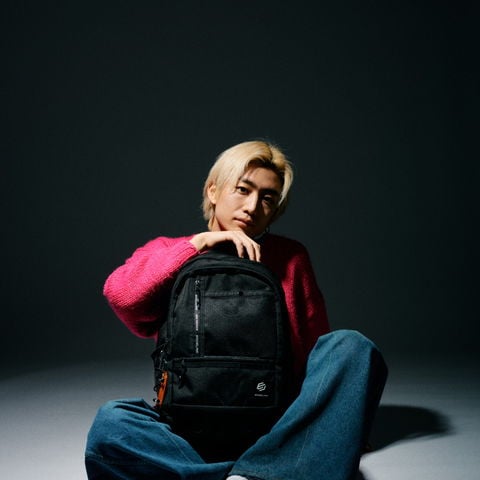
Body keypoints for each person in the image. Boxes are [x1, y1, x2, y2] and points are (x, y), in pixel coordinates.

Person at [85, 140, 388, 480]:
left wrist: (336, 415)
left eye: (268, 198)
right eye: (243, 190)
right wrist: (197, 244)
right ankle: (265, 471)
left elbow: (313, 350)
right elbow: (122, 298)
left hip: (273, 422)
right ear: (213, 191)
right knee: (112, 422)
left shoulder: (290, 256)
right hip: (189, 424)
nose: (252, 206)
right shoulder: (170, 251)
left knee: (351, 346)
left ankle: (251, 466)